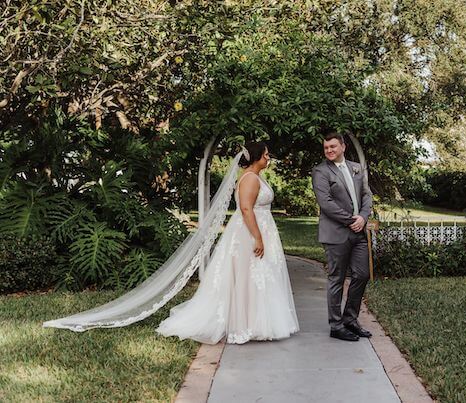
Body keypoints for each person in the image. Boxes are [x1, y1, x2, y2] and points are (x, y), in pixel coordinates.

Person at [44, 142, 299, 345]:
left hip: (257, 229)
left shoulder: (254, 176)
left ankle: (255, 323)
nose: (269, 158)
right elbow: (245, 208)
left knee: (254, 278)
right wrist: (257, 236)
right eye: (266, 155)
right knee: (248, 277)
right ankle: (247, 325)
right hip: (249, 233)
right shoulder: (250, 179)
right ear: (256, 157)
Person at [311, 132, 373, 342]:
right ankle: (336, 325)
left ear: (343, 147)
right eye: (326, 147)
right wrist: (351, 220)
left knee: (362, 274)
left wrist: (363, 218)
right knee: (336, 279)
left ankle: (350, 320)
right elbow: (326, 203)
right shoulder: (321, 171)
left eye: (333, 147)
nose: (329, 150)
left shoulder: (357, 167)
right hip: (336, 233)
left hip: (359, 231)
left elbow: (367, 195)